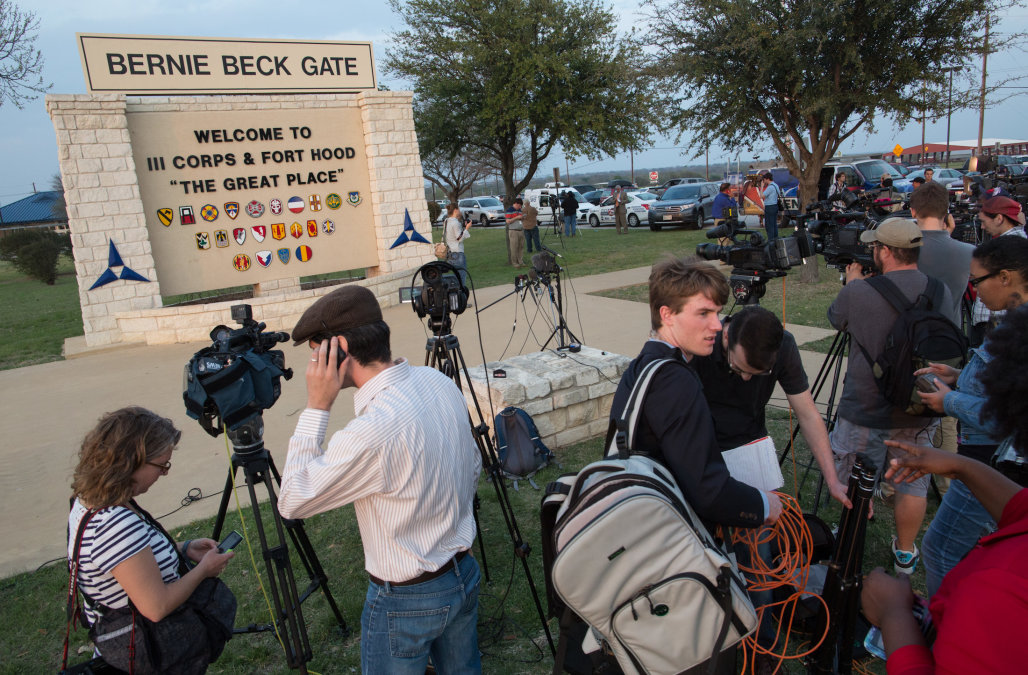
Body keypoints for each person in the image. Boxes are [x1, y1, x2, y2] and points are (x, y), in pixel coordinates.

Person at [278, 285, 482, 674]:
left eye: (316, 353)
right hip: (462, 572)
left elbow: (293, 500)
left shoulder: (371, 432)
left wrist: (317, 405)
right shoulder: (437, 382)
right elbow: (471, 464)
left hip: (406, 600)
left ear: (336, 349)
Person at [861, 300, 1028, 672]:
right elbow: (1021, 510)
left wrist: (893, 617)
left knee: (943, 549)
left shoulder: (996, 587)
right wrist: (961, 466)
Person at [610, 256, 783, 530]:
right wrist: (763, 505)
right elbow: (708, 492)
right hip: (667, 531)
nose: (717, 325)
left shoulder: (647, 365)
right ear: (667, 315)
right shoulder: (675, 382)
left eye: (717, 313)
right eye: (703, 313)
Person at [827, 217, 952, 575]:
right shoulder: (939, 290)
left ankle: (850, 538)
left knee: (854, 472)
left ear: (884, 251)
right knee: (912, 482)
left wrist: (851, 284)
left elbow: (836, 319)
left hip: (865, 405)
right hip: (918, 403)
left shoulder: (858, 291)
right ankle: (906, 553)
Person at [68, 407, 235, 669]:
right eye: (162, 465)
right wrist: (204, 570)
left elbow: (124, 564)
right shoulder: (116, 525)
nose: (165, 472)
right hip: (147, 653)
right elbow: (157, 606)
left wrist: (183, 548)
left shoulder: (88, 502)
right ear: (131, 462)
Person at [914, 236, 1028, 596]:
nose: (973, 290)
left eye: (977, 281)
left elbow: (1009, 417)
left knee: (940, 549)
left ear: (1006, 277)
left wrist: (949, 402)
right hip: (988, 460)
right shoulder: (1015, 324)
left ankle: (945, 632)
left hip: (988, 463)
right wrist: (959, 378)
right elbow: (1004, 389)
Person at [969, 195, 1027, 344]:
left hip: (995, 322)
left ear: (999, 218)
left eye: (983, 221)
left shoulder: (1009, 247)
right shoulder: (1017, 241)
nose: (982, 227)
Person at [444, 202, 472, 285]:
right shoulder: (456, 223)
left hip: (450, 254)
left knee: (456, 277)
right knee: (461, 277)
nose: (460, 211)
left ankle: (455, 294)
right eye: (458, 209)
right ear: (455, 210)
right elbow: (459, 238)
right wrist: (467, 228)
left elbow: (453, 235)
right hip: (458, 253)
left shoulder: (446, 221)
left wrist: (463, 228)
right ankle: (460, 296)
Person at [760, 172, 784, 240]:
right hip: (775, 206)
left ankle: (771, 241)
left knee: (769, 225)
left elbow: (761, 196)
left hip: (769, 207)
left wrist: (762, 186)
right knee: (774, 224)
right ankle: (776, 239)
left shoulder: (770, 187)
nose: (763, 181)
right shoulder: (776, 185)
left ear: (767, 179)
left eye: (764, 179)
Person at [505, 198, 525, 266]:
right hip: (513, 231)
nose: (520, 207)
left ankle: (520, 261)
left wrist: (522, 218)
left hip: (520, 230)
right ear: (516, 203)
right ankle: (514, 262)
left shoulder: (519, 210)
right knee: (514, 247)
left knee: (521, 246)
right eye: (519, 205)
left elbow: (520, 218)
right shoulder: (509, 210)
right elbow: (508, 221)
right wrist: (517, 217)